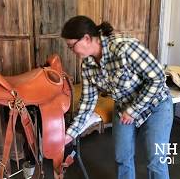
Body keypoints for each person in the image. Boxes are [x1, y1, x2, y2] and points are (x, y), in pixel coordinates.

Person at [61, 15, 173, 179]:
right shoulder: (87, 66)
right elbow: (87, 103)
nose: (71, 51)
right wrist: (70, 134)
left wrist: (134, 110)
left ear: (86, 38)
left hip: (156, 105)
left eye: (72, 46)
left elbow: (157, 78)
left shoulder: (125, 47)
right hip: (123, 108)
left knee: (157, 161)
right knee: (122, 158)